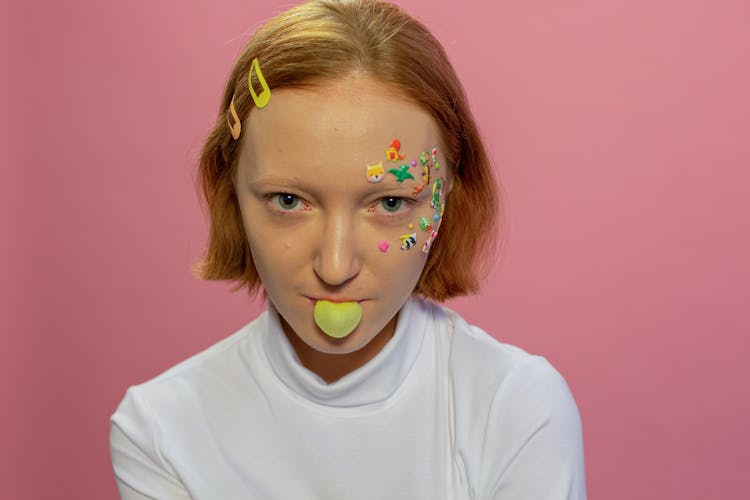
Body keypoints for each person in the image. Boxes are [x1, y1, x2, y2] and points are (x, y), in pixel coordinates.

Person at [109, 0, 586, 498]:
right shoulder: (160, 431)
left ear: (450, 194)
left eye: (391, 201)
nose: (335, 267)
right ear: (230, 192)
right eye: (289, 201)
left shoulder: (517, 408)